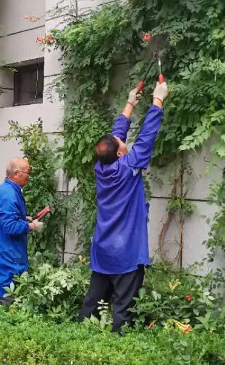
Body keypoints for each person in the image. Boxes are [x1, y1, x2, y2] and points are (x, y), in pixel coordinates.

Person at [79, 81, 169, 334]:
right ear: (120, 154)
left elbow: (116, 137)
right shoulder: (128, 167)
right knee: (122, 309)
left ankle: (79, 338)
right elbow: (147, 137)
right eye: (121, 144)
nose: (122, 141)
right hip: (126, 253)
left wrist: (130, 103)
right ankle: (118, 346)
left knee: (92, 305)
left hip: (103, 249)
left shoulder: (101, 167)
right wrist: (158, 100)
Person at [0, 158, 44, 306]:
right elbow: (10, 227)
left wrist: (24, 218)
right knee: (6, 295)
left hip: (2, 251)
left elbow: (8, 218)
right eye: (27, 172)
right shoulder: (8, 195)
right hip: (4, 255)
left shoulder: (9, 190)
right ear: (16, 174)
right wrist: (32, 226)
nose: (29, 176)